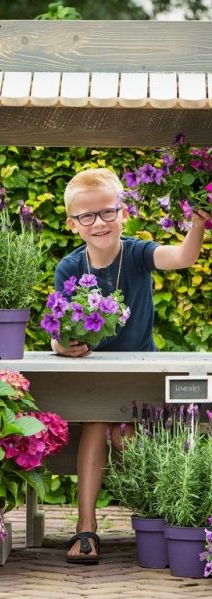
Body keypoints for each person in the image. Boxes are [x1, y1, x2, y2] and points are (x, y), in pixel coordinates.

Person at [52, 168, 211, 565]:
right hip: (93, 376)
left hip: (139, 373)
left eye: (108, 212)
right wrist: (63, 344)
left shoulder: (137, 254)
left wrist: (198, 222)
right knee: (94, 422)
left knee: (125, 438)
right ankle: (86, 528)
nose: (99, 223)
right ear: (73, 224)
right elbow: (57, 326)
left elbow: (183, 257)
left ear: (123, 213)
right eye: (87, 216)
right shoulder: (70, 269)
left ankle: (157, 520)